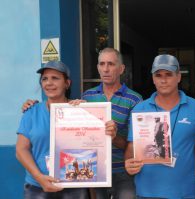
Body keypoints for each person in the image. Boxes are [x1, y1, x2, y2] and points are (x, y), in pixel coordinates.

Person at [22, 48, 143, 199]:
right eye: (102, 64)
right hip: (92, 171)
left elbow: (136, 145)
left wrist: (113, 136)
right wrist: (31, 105)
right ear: (98, 67)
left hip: (121, 171)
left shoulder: (135, 100)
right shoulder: (87, 97)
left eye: (111, 64)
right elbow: (77, 137)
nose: (105, 69)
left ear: (121, 69)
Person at [16, 61, 117, 199]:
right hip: (37, 187)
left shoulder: (80, 110)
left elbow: (95, 143)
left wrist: (106, 129)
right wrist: (39, 178)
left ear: (67, 83)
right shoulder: (31, 112)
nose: (49, 83)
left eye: (55, 78)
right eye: (44, 79)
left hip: (73, 187)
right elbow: (21, 150)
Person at [125, 54, 195, 199]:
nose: (163, 80)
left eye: (169, 75)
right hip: (147, 192)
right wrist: (128, 163)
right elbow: (131, 146)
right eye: (158, 75)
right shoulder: (140, 109)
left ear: (178, 77)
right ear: (153, 78)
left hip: (184, 193)